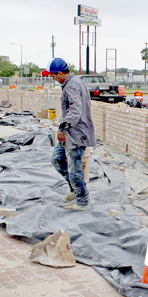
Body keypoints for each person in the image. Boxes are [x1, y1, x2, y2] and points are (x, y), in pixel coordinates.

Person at [47, 57, 96, 211]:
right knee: (57, 159)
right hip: (70, 133)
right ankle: (74, 190)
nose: (53, 79)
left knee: (74, 169)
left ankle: (83, 201)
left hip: (76, 133)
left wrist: (63, 127)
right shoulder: (72, 83)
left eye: (53, 76)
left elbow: (75, 110)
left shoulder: (72, 86)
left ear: (60, 73)